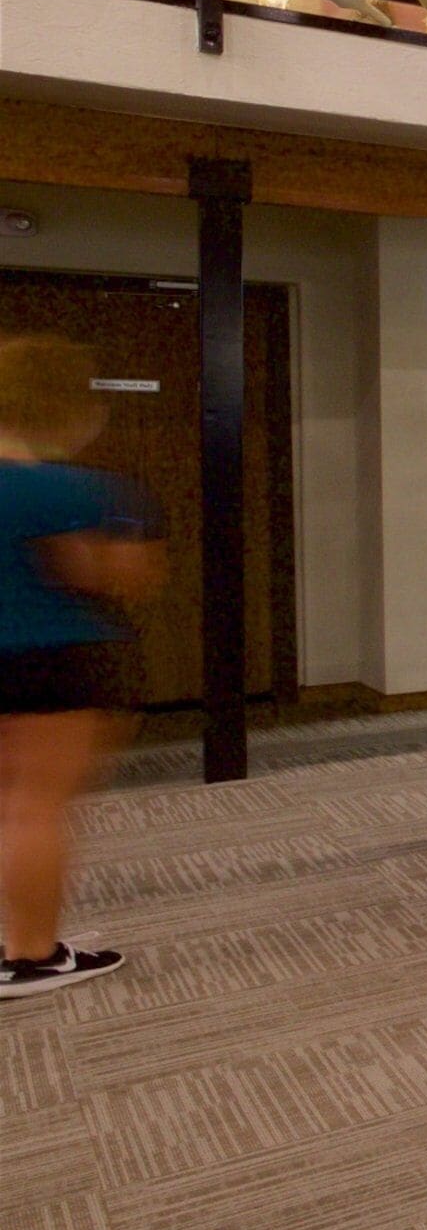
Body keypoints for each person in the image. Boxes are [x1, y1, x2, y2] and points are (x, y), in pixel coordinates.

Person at [0, 336, 156, 999]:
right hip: (49, 662)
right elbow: (126, 578)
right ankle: (32, 955)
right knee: (39, 807)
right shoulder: (73, 490)